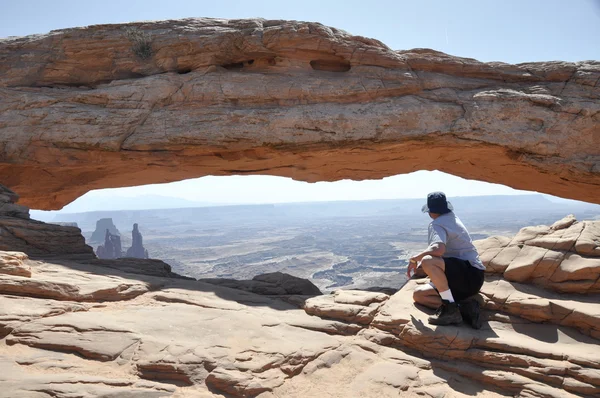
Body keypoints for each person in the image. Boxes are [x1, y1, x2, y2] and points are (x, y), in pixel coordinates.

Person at [406, 192, 485, 328]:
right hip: (474, 279)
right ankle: (463, 307)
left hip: (466, 275)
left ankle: (450, 309)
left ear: (430, 212)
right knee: (419, 295)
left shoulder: (437, 224)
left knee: (427, 260)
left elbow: (438, 249)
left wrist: (415, 259)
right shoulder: (452, 218)